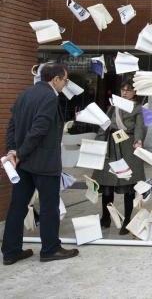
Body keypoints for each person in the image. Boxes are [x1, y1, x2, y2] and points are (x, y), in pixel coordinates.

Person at [2, 63, 79, 264]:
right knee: (48, 207)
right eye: (65, 80)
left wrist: (13, 151)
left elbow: (12, 126)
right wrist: (18, 153)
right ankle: (50, 249)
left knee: (17, 207)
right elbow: (39, 129)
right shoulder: (50, 97)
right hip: (44, 164)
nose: (65, 84)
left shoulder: (25, 94)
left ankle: (10, 252)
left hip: (23, 164)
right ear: (55, 79)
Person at [92, 79, 146, 235]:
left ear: (134, 92)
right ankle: (106, 217)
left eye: (128, 90)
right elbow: (105, 124)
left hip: (128, 146)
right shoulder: (113, 107)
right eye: (123, 89)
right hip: (111, 145)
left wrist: (138, 140)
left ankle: (127, 220)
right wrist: (98, 143)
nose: (125, 92)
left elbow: (139, 127)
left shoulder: (138, 108)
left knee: (128, 184)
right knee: (107, 184)